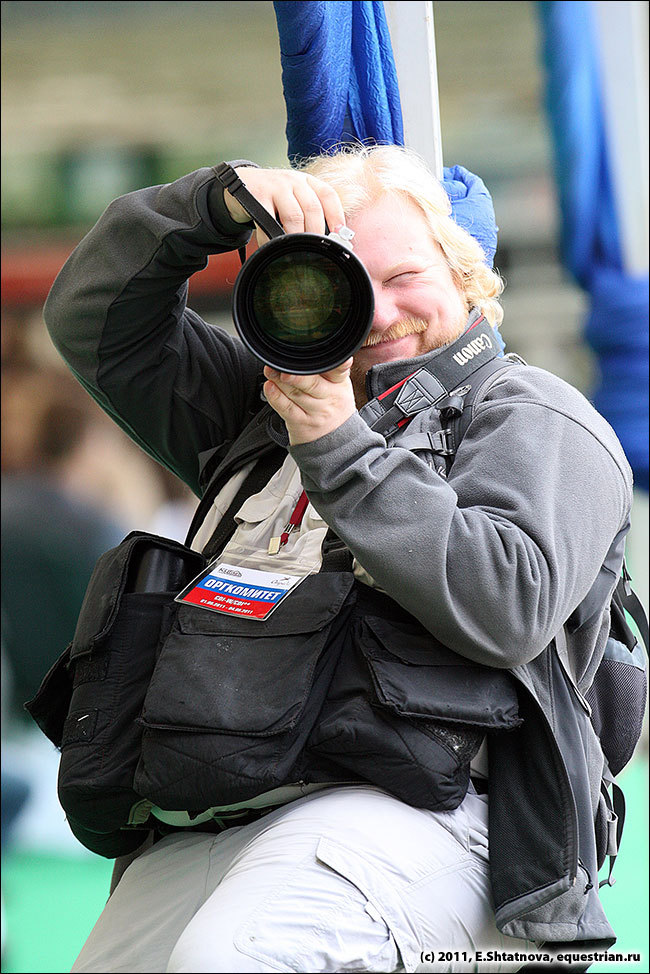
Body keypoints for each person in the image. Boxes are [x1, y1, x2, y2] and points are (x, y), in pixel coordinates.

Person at [43, 145, 632, 973]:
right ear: (292, 303)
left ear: (469, 279)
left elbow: (509, 605)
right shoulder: (260, 406)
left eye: (407, 276)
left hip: (444, 812)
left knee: (231, 962)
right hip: (226, 805)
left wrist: (337, 445)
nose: (382, 313)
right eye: (346, 285)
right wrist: (210, 203)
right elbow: (92, 317)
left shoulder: (534, 413)